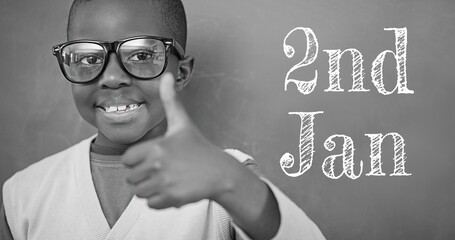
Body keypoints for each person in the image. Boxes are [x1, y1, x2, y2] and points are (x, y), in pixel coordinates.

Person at [1, 0, 326, 239]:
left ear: (181, 72)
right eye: (88, 57)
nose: (112, 78)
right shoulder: (23, 195)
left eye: (142, 55)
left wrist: (232, 180)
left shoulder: (225, 182)